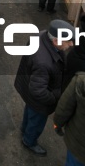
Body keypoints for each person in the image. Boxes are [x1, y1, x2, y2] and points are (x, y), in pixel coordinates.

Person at [15, 20, 75, 157]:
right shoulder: (44, 62)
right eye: (68, 41)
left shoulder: (42, 35)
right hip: (39, 99)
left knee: (29, 111)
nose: (71, 44)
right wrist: (54, 97)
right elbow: (38, 91)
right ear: (56, 41)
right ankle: (29, 141)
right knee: (37, 121)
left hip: (29, 89)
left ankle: (24, 129)